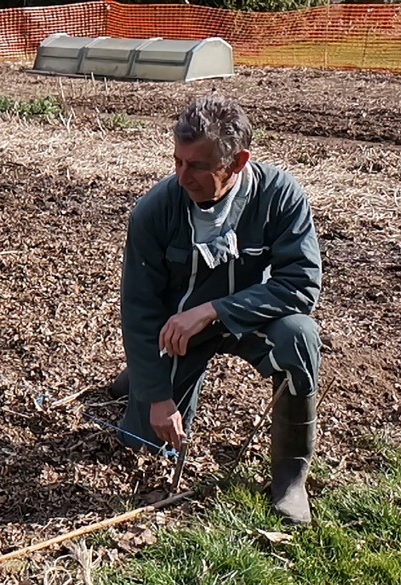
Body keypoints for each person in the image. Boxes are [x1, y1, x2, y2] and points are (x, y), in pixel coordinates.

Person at [113, 94, 322, 524]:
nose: (182, 176)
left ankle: (289, 479)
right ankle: (140, 377)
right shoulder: (156, 210)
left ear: (239, 162)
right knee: (141, 443)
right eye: (177, 161)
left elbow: (301, 285)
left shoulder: (280, 196)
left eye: (198, 166)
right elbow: (138, 308)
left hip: (253, 321)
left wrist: (212, 310)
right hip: (178, 333)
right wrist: (156, 396)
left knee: (299, 338)